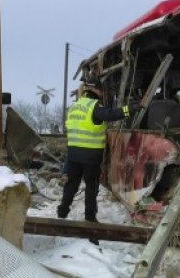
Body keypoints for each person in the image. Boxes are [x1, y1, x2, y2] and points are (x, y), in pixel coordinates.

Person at [57, 76, 138, 244]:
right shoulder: (94, 106)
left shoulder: (74, 107)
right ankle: (90, 219)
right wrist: (131, 109)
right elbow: (111, 115)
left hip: (73, 155)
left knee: (71, 185)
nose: (102, 94)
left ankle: (62, 213)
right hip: (90, 156)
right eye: (102, 91)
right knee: (91, 188)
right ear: (97, 90)